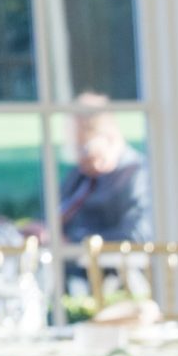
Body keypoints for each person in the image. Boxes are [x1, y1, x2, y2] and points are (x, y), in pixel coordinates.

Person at [57, 98, 151, 248]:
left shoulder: (137, 176)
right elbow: (55, 213)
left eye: (84, 149)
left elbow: (136, 236)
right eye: (74, 149)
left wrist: (73, 243)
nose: (80, 159)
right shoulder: (80, 177)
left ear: (109, 137)